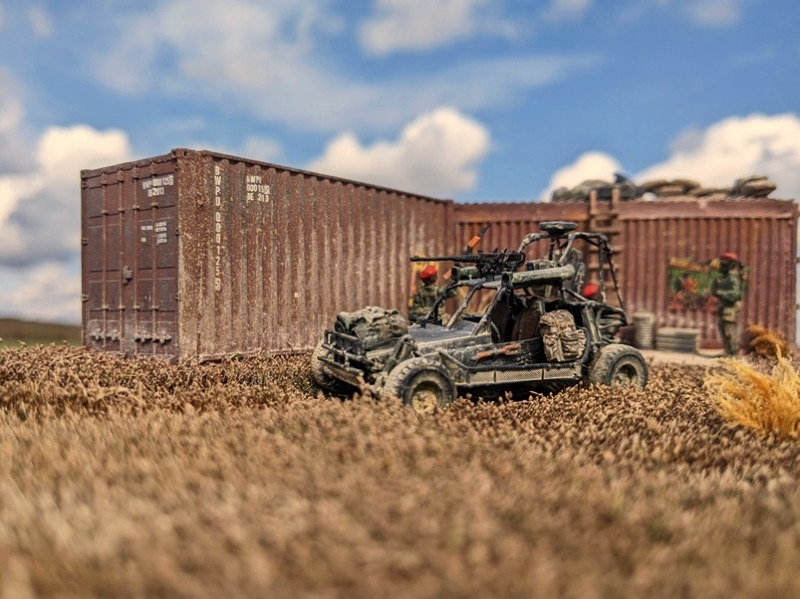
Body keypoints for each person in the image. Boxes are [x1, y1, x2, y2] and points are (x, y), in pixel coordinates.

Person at [710, 252, 743, 356]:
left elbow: (735, 294)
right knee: (723, 329)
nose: (720, 266)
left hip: (730, 309)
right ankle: (728, 351)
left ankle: (734, 353)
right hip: (724, 308)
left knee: (729, 331)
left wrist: (720, 292)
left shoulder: (732, 278)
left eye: (723, 264)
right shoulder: (725, 278)